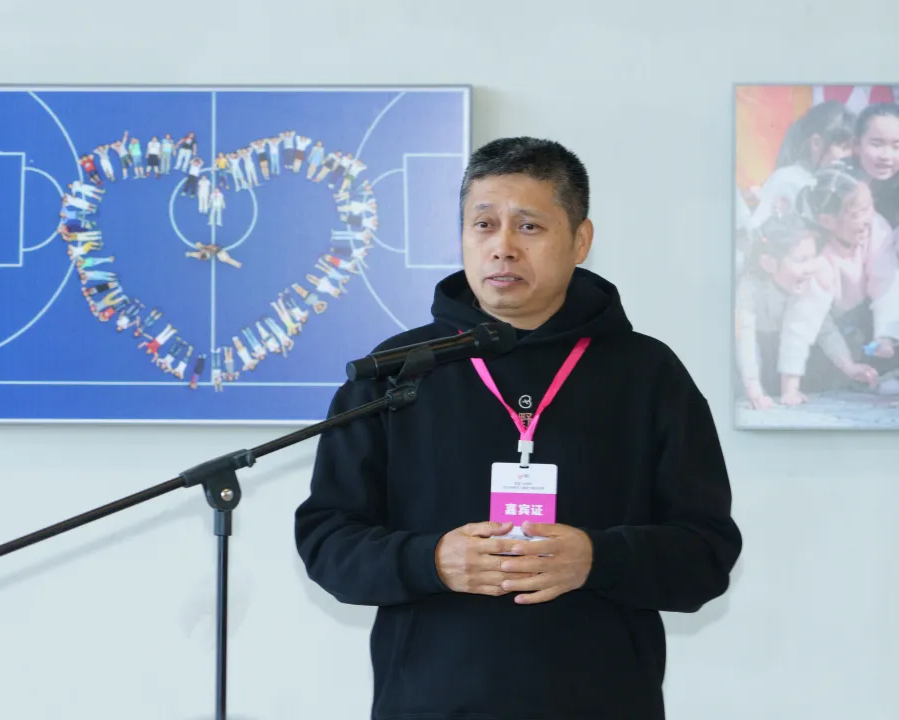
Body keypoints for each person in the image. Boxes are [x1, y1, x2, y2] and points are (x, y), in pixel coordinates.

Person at [294, 136, 742, 719]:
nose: (502, 247)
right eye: (484, 225)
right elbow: (328, 541)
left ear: (580, 240)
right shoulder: (397, 372)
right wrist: (431, 561)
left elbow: (706, 554)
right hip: (430, 705)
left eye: (529, 227)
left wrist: (599, 558)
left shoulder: (648, 374)